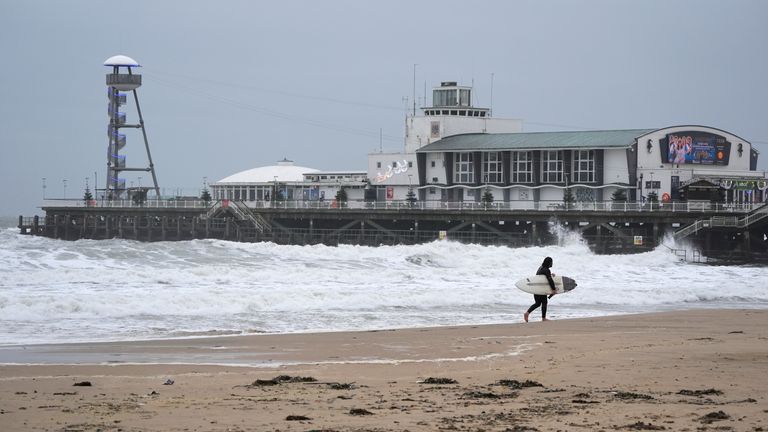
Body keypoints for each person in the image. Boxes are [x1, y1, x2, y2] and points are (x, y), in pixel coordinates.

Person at [524, 256, 556, 322]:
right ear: (549, 263)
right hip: (541, 289)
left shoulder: (541, 268)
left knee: (538, 303)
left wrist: (550, 275)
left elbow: (543, 278)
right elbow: (549, 280)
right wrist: (553, 289)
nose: (552, 264)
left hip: (536, 289)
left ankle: (527, 313)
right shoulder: (546, 270)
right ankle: (543, 318)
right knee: (544, 302)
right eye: (551, 262)